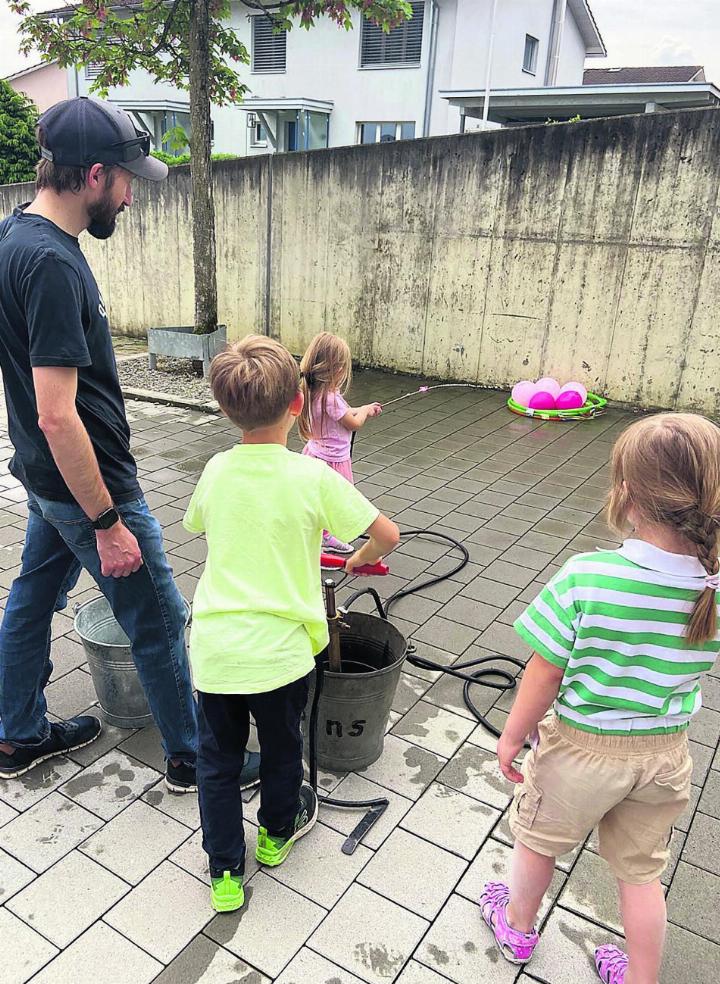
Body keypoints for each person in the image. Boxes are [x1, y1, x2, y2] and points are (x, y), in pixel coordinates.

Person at [0, 97, 219, 793]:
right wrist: (106, 523)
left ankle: (16, 733)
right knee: (157, 616)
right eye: (127, 181)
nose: (131, 197)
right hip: (86, 484)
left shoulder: (13, 239)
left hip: (45, 476)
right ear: (94, 175)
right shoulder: (54, 266)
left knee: (32, 601)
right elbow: (58, 415)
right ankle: (194, 759)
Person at [481, 413, 720, 984]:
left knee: (538, 843)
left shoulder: (588, 576)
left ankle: (516, 927)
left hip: (580, 753)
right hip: (664, 756)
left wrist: (514, 735)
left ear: (628, 495)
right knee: (641, 876)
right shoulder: (712, 585)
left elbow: (542, 674)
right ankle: (641, 978)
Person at [184, 335, 399, 912]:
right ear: (298, 406)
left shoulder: (216, 469)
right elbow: (387, 534)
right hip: (282, 655)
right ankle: (277, 835)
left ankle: (225, 872)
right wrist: (354, 558)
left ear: (225, 409)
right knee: (282, 750)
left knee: (218, 761)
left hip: (217, 653)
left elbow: (196, 523)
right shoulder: (313, 477)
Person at [299, 332, 382, 554]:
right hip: (333, 461)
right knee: (335, 501)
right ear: (336, 369)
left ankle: (319, 535)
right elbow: (353, 423)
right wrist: (365, 411)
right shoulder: (330, 397)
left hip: (315, 454)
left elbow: (342, 414)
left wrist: (362, 408)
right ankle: (322, 539)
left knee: (318, 500)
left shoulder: (313, 391)